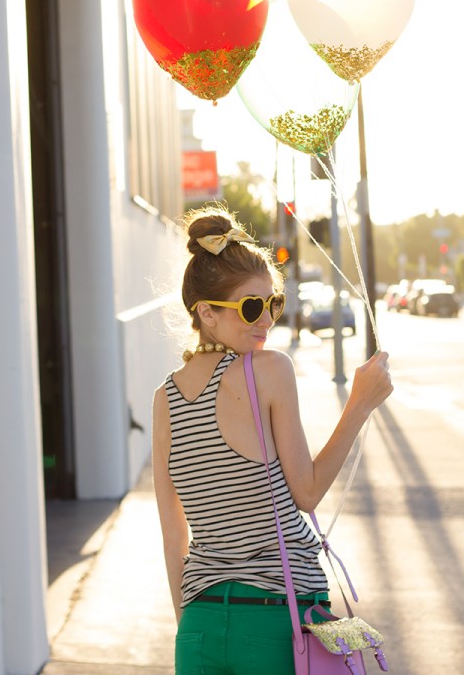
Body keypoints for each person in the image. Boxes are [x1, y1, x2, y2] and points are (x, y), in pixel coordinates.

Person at [152, 205, 393, 675]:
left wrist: (192, 630)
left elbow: (173, 536)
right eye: (250, 307)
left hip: (197, 629)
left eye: (273, 304)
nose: (266, 320)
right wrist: (360, 404)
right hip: (275, 623)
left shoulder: (165, 398)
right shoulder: (268, 370)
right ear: (207, 313)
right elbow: (307, 492)